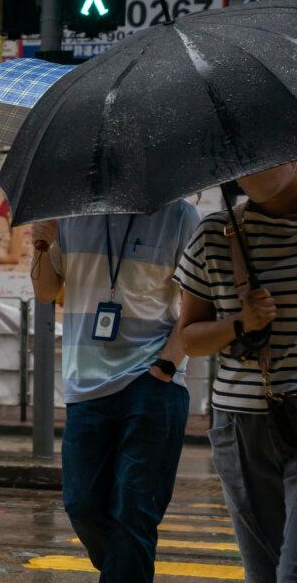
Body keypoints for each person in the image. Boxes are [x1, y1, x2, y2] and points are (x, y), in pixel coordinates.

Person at [31, 201, 199, 582]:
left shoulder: (179, 216)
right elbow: (45, 291)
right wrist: (41, 246)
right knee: (81, 505)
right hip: (85, 387)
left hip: (152, 383)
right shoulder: (71, 212)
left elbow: (196, 303)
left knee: (135, 510)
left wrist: (166, 367)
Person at [175, 162, 297, 583]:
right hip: (243, 422)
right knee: (263, 569)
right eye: (243, 163)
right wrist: (240, 323)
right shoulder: (214, 235)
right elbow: (190, 338)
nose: (254, 170)